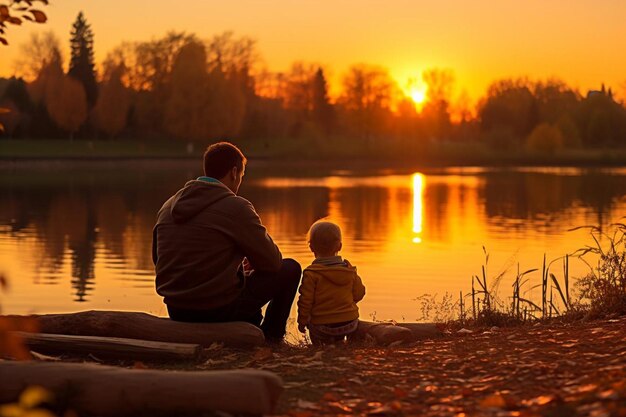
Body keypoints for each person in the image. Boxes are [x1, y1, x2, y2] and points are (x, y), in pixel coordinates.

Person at [152, 142, 301, 342]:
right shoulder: (236, 207)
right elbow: (272, 262)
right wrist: (250, 266)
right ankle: (271, 338)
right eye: (241, 176)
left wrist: (237, 267)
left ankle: (252, 326)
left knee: (248, 290)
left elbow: (159, 259)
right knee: (290, 268)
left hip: (177, 309)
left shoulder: (167, 206)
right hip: (215, 310)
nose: (239, 182)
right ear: (233, 172)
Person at [297, 220, 366, 345]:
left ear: (311, 247)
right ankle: (340, 344)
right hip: (349, 323)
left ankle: (320, 348)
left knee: (318, 335)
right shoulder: (348, 270)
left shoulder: (311, 273)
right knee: (340, 338)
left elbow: (305, 301)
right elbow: (359, 293)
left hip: (322, 327)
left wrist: (302, 321)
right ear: (340, 246)